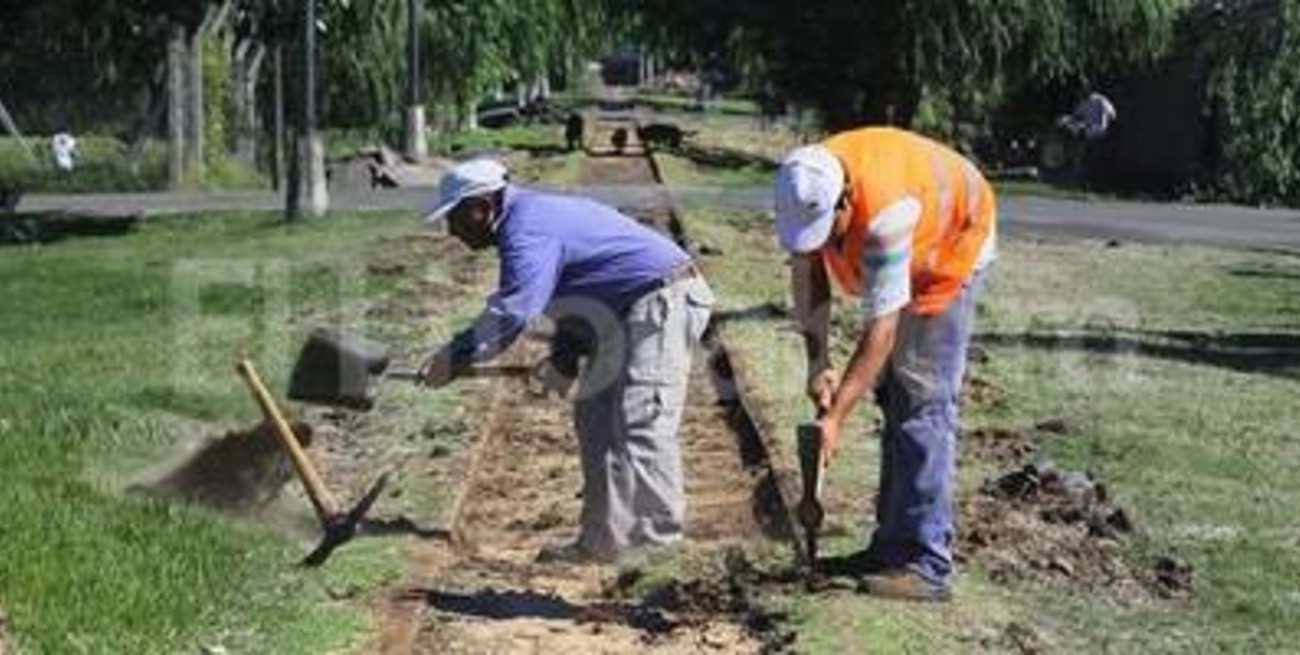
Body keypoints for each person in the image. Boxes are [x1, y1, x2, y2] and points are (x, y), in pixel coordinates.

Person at [418, 159, 715, 563]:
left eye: (455, 217)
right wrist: (564, 357)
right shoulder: (528, 220)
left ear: (483, 207)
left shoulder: (526, 230)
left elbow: (512, 313)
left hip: (662, 298)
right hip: (623, 309)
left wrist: (454, 356)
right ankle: (601, 543)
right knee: (594, 418)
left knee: (642, 421)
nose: (451, 231)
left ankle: (660, 552)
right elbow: (580, 290)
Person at [774, 127, 997, 602]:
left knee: (920, 398)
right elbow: (809, 270)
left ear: (846, 203)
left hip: (952, 238)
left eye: (826, 233)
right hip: (916, 219)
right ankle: (891, 545)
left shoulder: (887, 218)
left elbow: (881, 331)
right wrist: (818, 362)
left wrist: (835, 419)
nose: (819, 244)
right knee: (892, 393)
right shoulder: (806, 178)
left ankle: (925, 561)